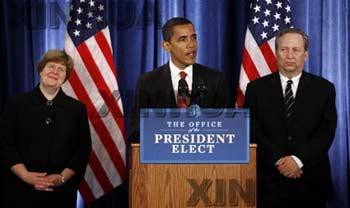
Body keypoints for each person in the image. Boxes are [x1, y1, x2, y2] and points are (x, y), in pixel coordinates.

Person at [244, 28, 337, 208]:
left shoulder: (324, 89)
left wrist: (297, 160)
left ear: (306, 54)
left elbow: (326, 132)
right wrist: (279, 160)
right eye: (284, 49)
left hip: (311, 181)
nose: (290, 55)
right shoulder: (255, 89)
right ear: (276, 53)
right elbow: (252, 129)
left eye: (296, 50)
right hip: (268, 182)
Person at [0, 49, 92, 208]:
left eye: (61, 69)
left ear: (65, 77)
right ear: (41, 69)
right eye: (51, 66)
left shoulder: (77, 109)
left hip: (61, 193)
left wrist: (62, 178)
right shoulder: (17, 103)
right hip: (20, 190)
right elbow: (5, 144)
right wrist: (25, 175)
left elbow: (82, 149)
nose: (55, 72)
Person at [131, 17, 232, 141]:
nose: (191, 45)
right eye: (183, 39)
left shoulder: (216, 80)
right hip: (161, 157)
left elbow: (226, 129)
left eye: (193, 37)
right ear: (167, 46)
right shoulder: (147, 82)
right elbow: (138, 131)